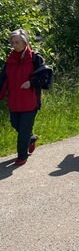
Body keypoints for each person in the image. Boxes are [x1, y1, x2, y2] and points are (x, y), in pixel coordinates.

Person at [0, 29, 45, 165]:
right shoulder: (10, 59)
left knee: (24, 129)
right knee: (15, 123)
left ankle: (22, 156)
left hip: (30, 100)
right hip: (14, 100)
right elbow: (3, 79)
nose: (14, 45)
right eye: (12, 42)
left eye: (17, 42)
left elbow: (44, 76)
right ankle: (31, 138)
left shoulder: (35, 58)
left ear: (25, 42)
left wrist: (31, 82)